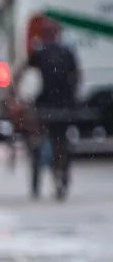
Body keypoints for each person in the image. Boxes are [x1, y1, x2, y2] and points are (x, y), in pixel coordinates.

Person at [13, 17, 81, 200]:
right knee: (63, 142)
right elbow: (77, 77)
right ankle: (62, 174)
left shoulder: (39, 52)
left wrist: (15, 93)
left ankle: (41, 169)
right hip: (65, 105)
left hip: (45, 105)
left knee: (37, 138)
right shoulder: (68, 52)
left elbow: (21, 73)